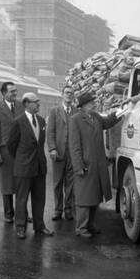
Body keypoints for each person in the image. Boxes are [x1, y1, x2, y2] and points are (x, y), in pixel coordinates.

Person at [69, 91, 121, 239]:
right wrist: (78, 166)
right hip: (85, 165)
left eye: (93, 102)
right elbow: (74, 145)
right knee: (84, 199)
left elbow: (108, 122)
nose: (94, 104)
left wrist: (121, 111)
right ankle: (81, 227)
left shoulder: (96, 117)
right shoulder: (76, 120)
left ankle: (90, 224)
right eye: (91, 102)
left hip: (97, 164)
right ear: (83, 106)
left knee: (95, 196)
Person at [7, 93, 53, 239]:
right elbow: (11, 145)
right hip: (24, 167)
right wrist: (22, 159)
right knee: (21, 198)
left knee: (39, 198)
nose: (38, 105)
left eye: (39, 102)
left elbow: (40, 143)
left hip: (39, 167)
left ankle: (39, 226)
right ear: (26, 104)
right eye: (35, 102)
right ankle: (20, 227)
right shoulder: (18, 122)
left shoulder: (41, 120)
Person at [0, 82, 24, 223]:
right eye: (11, 91)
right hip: (5, 151)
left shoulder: (21, 106)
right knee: (7, 183)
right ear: (3, 94)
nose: (15, 93)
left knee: (22, 182)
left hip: (21, 150)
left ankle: (22, 214)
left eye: (15, 91)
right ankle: (9, 214)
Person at [46, 86, 76, 221]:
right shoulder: (54, 111)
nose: (69, 95)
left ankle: (68, 209)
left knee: (70, 183)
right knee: (57, 183)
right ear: (62, 95)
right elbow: (50, 131)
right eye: (67, 93)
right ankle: (58, 209)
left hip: (72, 154)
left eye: (71, 93)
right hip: (58, 153)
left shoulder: (76, 112)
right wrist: (52, 148)